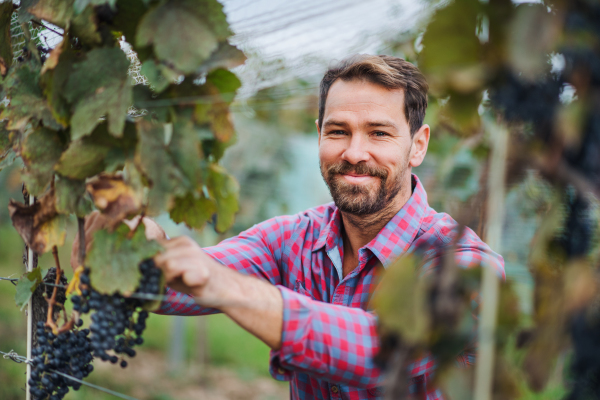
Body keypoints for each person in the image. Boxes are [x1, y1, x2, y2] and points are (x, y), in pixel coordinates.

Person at [72, 54, 504, 400]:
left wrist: (230, 288)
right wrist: (143, 247)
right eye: (338, 131)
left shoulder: (467, 265)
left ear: (418, 146)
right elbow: (182, 282)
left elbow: (386, 350)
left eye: (379, 134)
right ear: (319, 135)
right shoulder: (292, 238)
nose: (354, 152)